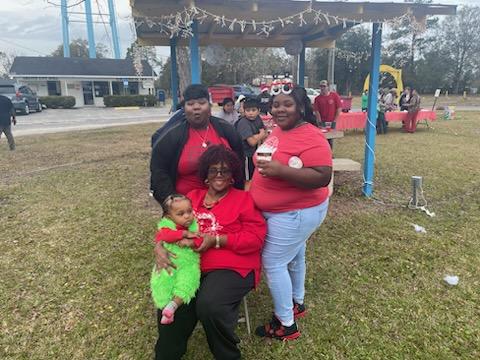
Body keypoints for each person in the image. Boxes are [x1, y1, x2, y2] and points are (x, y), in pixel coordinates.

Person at [154, 145, 266, 360]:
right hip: (192, 266)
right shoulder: (191, 198)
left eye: (225, 170)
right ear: (205, 173)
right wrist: (158, 246)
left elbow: (255, 239)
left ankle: (227, 355)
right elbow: (167, 226)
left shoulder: (244, 200)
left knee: (210, 305)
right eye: (213, 170)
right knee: (171, 303)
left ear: (233, 174)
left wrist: (217, 240)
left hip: (233, 266)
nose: (219, 175)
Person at [250, 86, 332, 341]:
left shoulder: (311, 136)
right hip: (285, 213)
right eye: (276, 105)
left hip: (295, 213)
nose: (280, 109)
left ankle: (286, 324)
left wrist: (281, 171)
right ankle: (297, 302)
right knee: (295, 258)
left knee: (274, 262)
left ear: (301, 107)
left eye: (287, 104)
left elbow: (323, 176)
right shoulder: (280, 130)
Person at [150, 84, 244, 205]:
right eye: (190, 104)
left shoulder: (227, 131)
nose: (196, 107)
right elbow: (159, 172)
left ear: (209, 106)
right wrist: (173, 204)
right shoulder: (171, 137)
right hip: (186, 206)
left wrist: (236, 200)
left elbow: (239, 168)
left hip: (225, 202)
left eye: (201, 102)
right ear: (184, 108)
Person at [151, 194, 202, 325]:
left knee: (189, 282)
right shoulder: (167, 225)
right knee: (163, 281)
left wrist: (191, 242)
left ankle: (172, 306)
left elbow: (200, 239)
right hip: (169, 261)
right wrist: (184, 234)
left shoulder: (194, 226)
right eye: (181, 214)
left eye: (189, 211)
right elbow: (164, 236)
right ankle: (164, 307)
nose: (187, 216)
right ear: (169, 217)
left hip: (188, 264)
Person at [235, 97, 268, 182]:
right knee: (247, 179)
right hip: (245, 155)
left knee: (255, 176)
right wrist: (260, 135)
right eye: (248, 110)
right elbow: (252, 142)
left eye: (253, 110)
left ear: (258, 110)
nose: (251, 113)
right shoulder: (243, 123)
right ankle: (246, 194)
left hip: (254, 153)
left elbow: (265, 134)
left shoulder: (258, 119)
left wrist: (259, 136)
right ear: (244, 111)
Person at [313, 80, 342, 147]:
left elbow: (339, 108)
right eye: (321, 86)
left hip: (332, 121)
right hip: (322, 122)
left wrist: (335, 121)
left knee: (330, 139)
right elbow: (317, 111)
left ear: (328, 87)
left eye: (324, 86)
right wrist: (320, 123)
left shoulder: (334, 96)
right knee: (322, 139)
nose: (322, 88)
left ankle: (330, 154)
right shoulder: (317, 99)